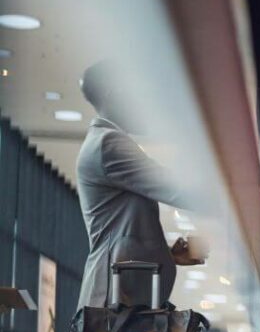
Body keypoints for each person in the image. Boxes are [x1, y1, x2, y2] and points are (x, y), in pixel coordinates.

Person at [75, 60, 204, 310]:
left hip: (119, 298)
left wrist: (166, 253)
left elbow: (121, 230)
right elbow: (176, 189)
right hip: (114, 302)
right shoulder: (108, 143)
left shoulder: (105, 141)